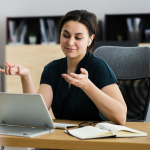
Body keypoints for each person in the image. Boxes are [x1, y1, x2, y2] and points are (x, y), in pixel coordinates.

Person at [0, 10, 127, 126]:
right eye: (65, 35)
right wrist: (25, 76)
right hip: (63, 137)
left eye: (78, 37)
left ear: (90, 40)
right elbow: (35, 116)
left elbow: (121, 117)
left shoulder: (99, 67)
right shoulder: (51, 69)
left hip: (94, 140)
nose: (70, 42)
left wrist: (87, 86)